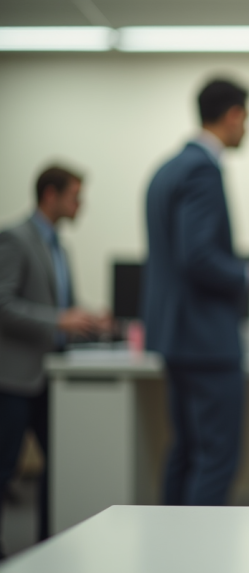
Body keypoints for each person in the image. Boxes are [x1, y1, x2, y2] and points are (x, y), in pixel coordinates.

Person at [143, 78, 249, 506]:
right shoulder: (204, 168)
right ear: (233, 115)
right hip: (207, 341)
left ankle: (171, 550)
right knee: (217, 457)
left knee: (186, 450)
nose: (248, 129)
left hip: (175, 337)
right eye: (248, 118)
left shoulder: (167, 169)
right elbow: (197, 257)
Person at [0, 166, 104, 557]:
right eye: (75, 196)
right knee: (5, 468)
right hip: (14, 377)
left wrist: (88, 317)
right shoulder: (15, 238)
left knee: (60, 464)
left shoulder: (59, 246)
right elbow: (3, 304)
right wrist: (60, 319)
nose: (81, 205)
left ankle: (50, 544)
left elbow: (58, 308)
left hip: (50, 376)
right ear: (50, 195)